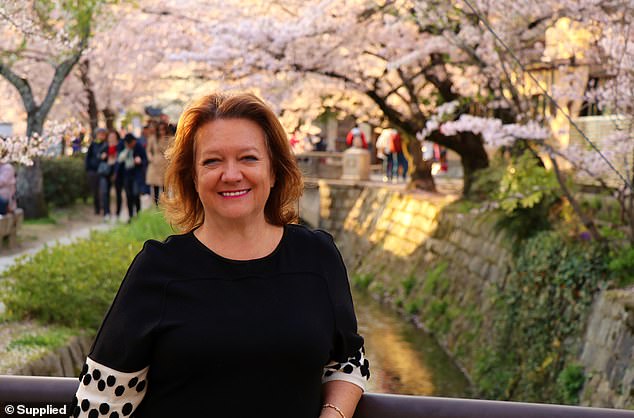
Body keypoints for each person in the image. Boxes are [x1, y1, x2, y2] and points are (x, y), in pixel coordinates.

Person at [72, 92, 370, 418]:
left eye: (248, 158)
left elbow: (348, 359)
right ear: (192, 177)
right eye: (212, 161)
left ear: (274, 171)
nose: (231, 174)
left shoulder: (317, 256)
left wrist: (333, 413)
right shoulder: (159, 269)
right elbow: (97, 405)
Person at [118, 133, 147, 221]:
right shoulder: (123, 147)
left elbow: (145, 159)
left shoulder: (138, 147)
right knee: (128, 195)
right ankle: (130, 216)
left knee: (135, 194)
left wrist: (140, 161)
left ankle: (138, 214)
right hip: (126, 175)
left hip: (136, 174)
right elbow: (119, 160)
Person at [98, 131, 121, 222]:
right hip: (106, 171)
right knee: (105, 192)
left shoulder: (120, 146)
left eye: (113, 136)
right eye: (110, 136)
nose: (111, 138)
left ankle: (117, 213)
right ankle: (106, 213)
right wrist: (102, 156)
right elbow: (98, 155)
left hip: (117, 171)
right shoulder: (105, 146)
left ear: (117, 137)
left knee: (118, 193)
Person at [145, 121, 170, 205]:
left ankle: (166, 205)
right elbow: (148, 150)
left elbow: (170, 151)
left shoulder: (169, 139)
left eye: (163, 130)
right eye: (159, 130)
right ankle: (156, 205)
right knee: (155, 185)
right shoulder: (153, 138)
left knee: (165, 185)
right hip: (155, 164)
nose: (161, 132)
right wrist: (151, 159)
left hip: (165, 164)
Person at [85, 128, 108, 215]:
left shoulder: (106, 145)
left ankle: (104, 208)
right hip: (93, 171)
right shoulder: (93, 145)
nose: (101, 136)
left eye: (103, 134)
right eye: (100, 134)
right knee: (95, 191)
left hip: (103, 171)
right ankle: (97, 209)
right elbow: (88, 158)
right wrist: (88, 168)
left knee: (103, 191)